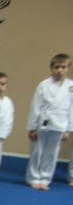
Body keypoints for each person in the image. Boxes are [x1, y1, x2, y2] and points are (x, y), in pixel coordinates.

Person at [25, 53, 73, 190]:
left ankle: (45, 179)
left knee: (52, 154)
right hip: (43, 123)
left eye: (63, 67)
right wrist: (32, 127)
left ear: (68, 68)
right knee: (37, 152)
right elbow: (35, 106)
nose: (60, 70)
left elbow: (71, 109)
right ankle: (33, 178)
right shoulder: (43, 85)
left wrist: (68, 129)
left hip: (60, 124)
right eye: (57, 67)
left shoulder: (71, 86)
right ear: (51, 68)